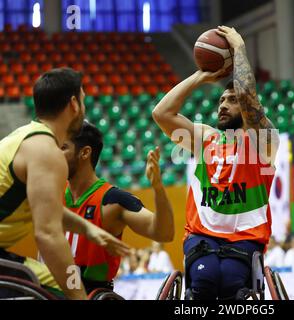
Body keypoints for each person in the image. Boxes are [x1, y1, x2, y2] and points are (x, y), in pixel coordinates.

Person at [152, 26, 279, 300]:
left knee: (234, 288)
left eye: (231, 100)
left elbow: (248, 98)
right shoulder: (205, 138)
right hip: (201, 235)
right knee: (204, 283)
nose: (222, 105)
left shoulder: (264, 140)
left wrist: (240, 50)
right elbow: (161, 113)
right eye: (221, 99)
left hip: (244, 238)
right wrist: (200, 76)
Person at [0, 68, 129, 299]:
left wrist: (87, 228)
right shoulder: (48, 153)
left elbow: (47, 209)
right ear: (74, 103)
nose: (84, 107)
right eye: (83, 100)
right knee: (70, 290)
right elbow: (48, 235)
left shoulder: (24, 136)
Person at [61, 121, 174, 292]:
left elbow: (163, 233)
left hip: (92, 292)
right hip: (49, 289)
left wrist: (158, 188)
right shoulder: (50, 192)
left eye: (62, 148)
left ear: (84, 153)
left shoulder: (113, 200)